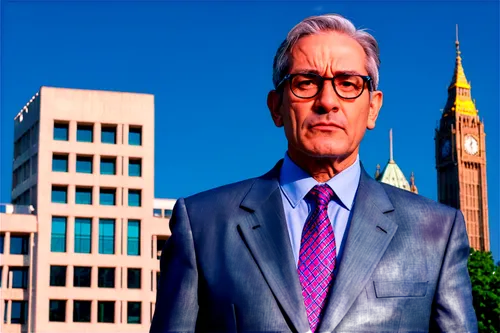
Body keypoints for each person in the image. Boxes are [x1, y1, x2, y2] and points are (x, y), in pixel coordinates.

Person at [150, 13, 478, 333]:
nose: (327, 101)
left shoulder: (436, 232)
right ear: (276, 107)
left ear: (373, 107)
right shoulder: (203, 225)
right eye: (305, 83)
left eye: (348, 84)